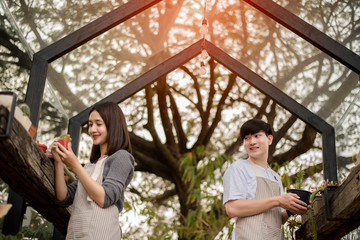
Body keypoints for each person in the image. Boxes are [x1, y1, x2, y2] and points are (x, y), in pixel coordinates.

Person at [52, 101, 134, 240]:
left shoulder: (122, 158)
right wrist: (59, 162)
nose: (92, 130)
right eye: (90, 124)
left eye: (98, 124)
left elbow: (105, 198)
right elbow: (63, 198)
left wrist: (75, 165)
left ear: (112, 125)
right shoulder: (89, 167)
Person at [222, 118, 308, 240]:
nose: (252, 142)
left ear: (269, 139)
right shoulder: (238, 168)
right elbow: (232, 208)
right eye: (247, 138)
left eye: (257, 136)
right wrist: (278, 200)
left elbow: (276, 220)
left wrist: (291, 209)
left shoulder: (275, 177)